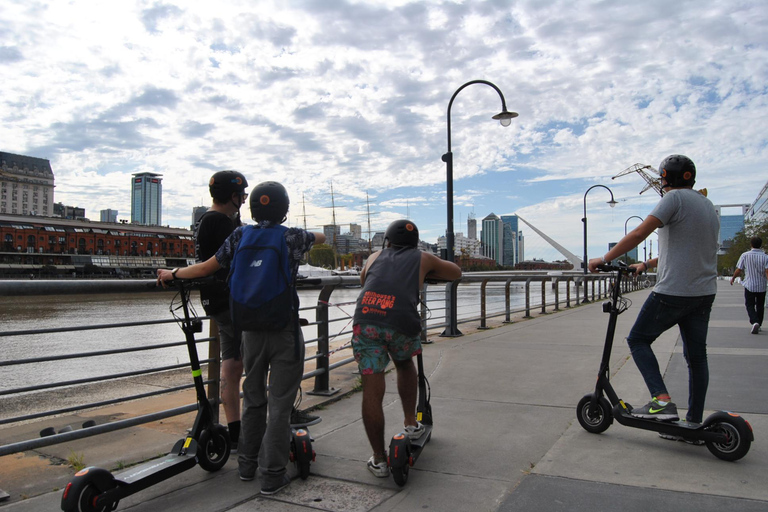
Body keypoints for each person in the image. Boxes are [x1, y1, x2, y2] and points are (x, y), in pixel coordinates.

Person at [158, 181, 325, 495]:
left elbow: (206, 267)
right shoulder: (291, 237)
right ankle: (272, 475)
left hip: (249, 330)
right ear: (284, 209)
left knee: (253, 399)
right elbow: (321, 236)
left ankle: (247, 466)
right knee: (280, 405)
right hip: (284, 330)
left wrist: (174, 274)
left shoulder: (239, 235)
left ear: (252, 209)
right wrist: (310, 234)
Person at [588, 154, 719, 433]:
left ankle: (661, 401)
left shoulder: (673, 199)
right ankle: (693, 423)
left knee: (637, 339)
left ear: (665, 178)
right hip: (703, 293)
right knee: (697, 358)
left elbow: (639, 233)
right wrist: (646, 264)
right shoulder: (706, 205)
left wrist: (604, 258)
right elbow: (686, 248)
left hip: (673, 292)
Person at [352, 219, 461, 477]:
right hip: (401, 321)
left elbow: (363, 280)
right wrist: (428, 272)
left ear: (387, 241)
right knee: (404, 364)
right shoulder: (423, 257)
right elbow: (456, 272)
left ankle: (379, 460)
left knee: (372, 387)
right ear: (415, 243)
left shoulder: (374, 256)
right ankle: (411, 424)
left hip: (367, 319)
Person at [194, 170, 248, 452]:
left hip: (215, 302)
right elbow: (241, 258)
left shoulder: (207, 219)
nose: (245, 200)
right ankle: (261, 425)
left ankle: (235, 431)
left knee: (232, 362)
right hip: (232, 301)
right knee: (259, 357)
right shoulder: (221, 222)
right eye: (243, 195)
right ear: (233, 196)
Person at [730, 237, 768, 334]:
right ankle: (759, 323)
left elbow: (739, 269)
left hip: (749, 285)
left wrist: (733, 278)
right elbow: (767, 271)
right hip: (762, 285)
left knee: (749, 305)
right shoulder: (765, 257)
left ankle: (754, 321)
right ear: (761, 245)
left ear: (751, 244)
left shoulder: (745, 255)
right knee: (760, 306)